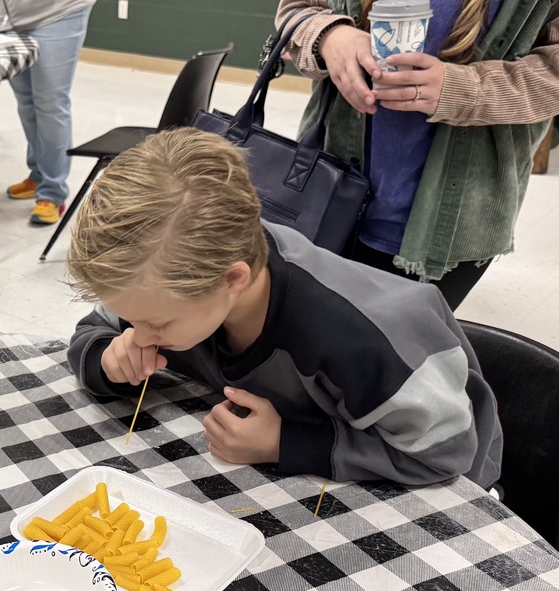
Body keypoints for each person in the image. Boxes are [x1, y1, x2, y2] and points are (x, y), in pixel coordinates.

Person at [67, 127, 502, 488]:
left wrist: (284, 443)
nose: (140, 335)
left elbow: (446, 457)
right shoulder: (166, 280)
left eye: (156, 324)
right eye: (134, 320)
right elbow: (96, 329)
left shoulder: (357, 336)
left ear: (232, 279)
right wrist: (108, 359)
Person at [275, 0, 559, 310]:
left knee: (396, 349)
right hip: (323, 193)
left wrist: (465, 89)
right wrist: (327, 35)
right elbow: (296, 10)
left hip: (456, 217)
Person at [0, 0, 95, 225]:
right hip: (7, 18)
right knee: (26, 102)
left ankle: (53, 193)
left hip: (56, 12)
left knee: (50, 102)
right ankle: (39, 175)